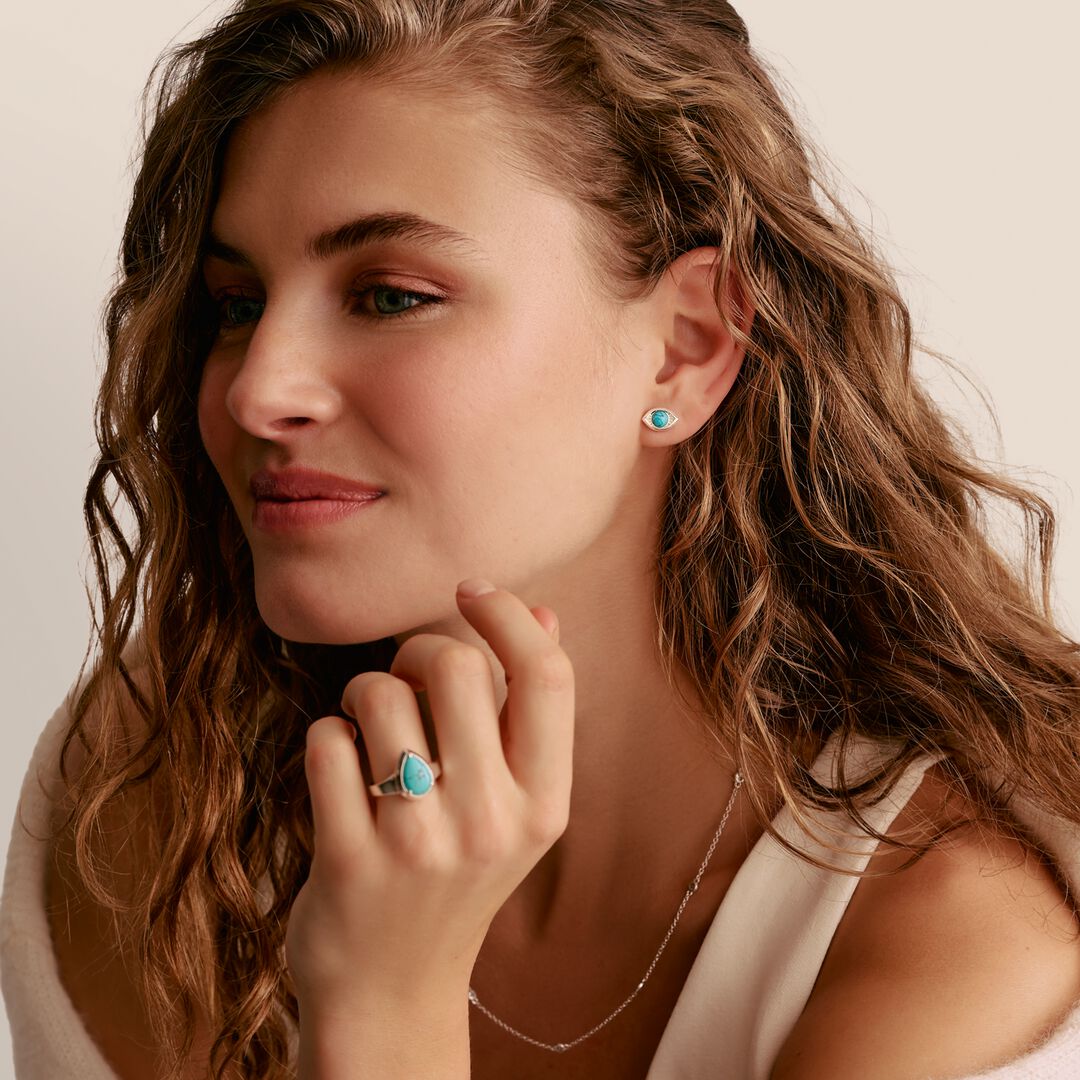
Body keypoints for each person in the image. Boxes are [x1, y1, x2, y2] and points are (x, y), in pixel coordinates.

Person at [3, 1, 1080, 1078]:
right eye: (237, 304)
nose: (258, 389)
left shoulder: (954, 926)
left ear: (685, 349)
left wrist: (385, 1003)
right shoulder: (154, 800)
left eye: (390, 296)